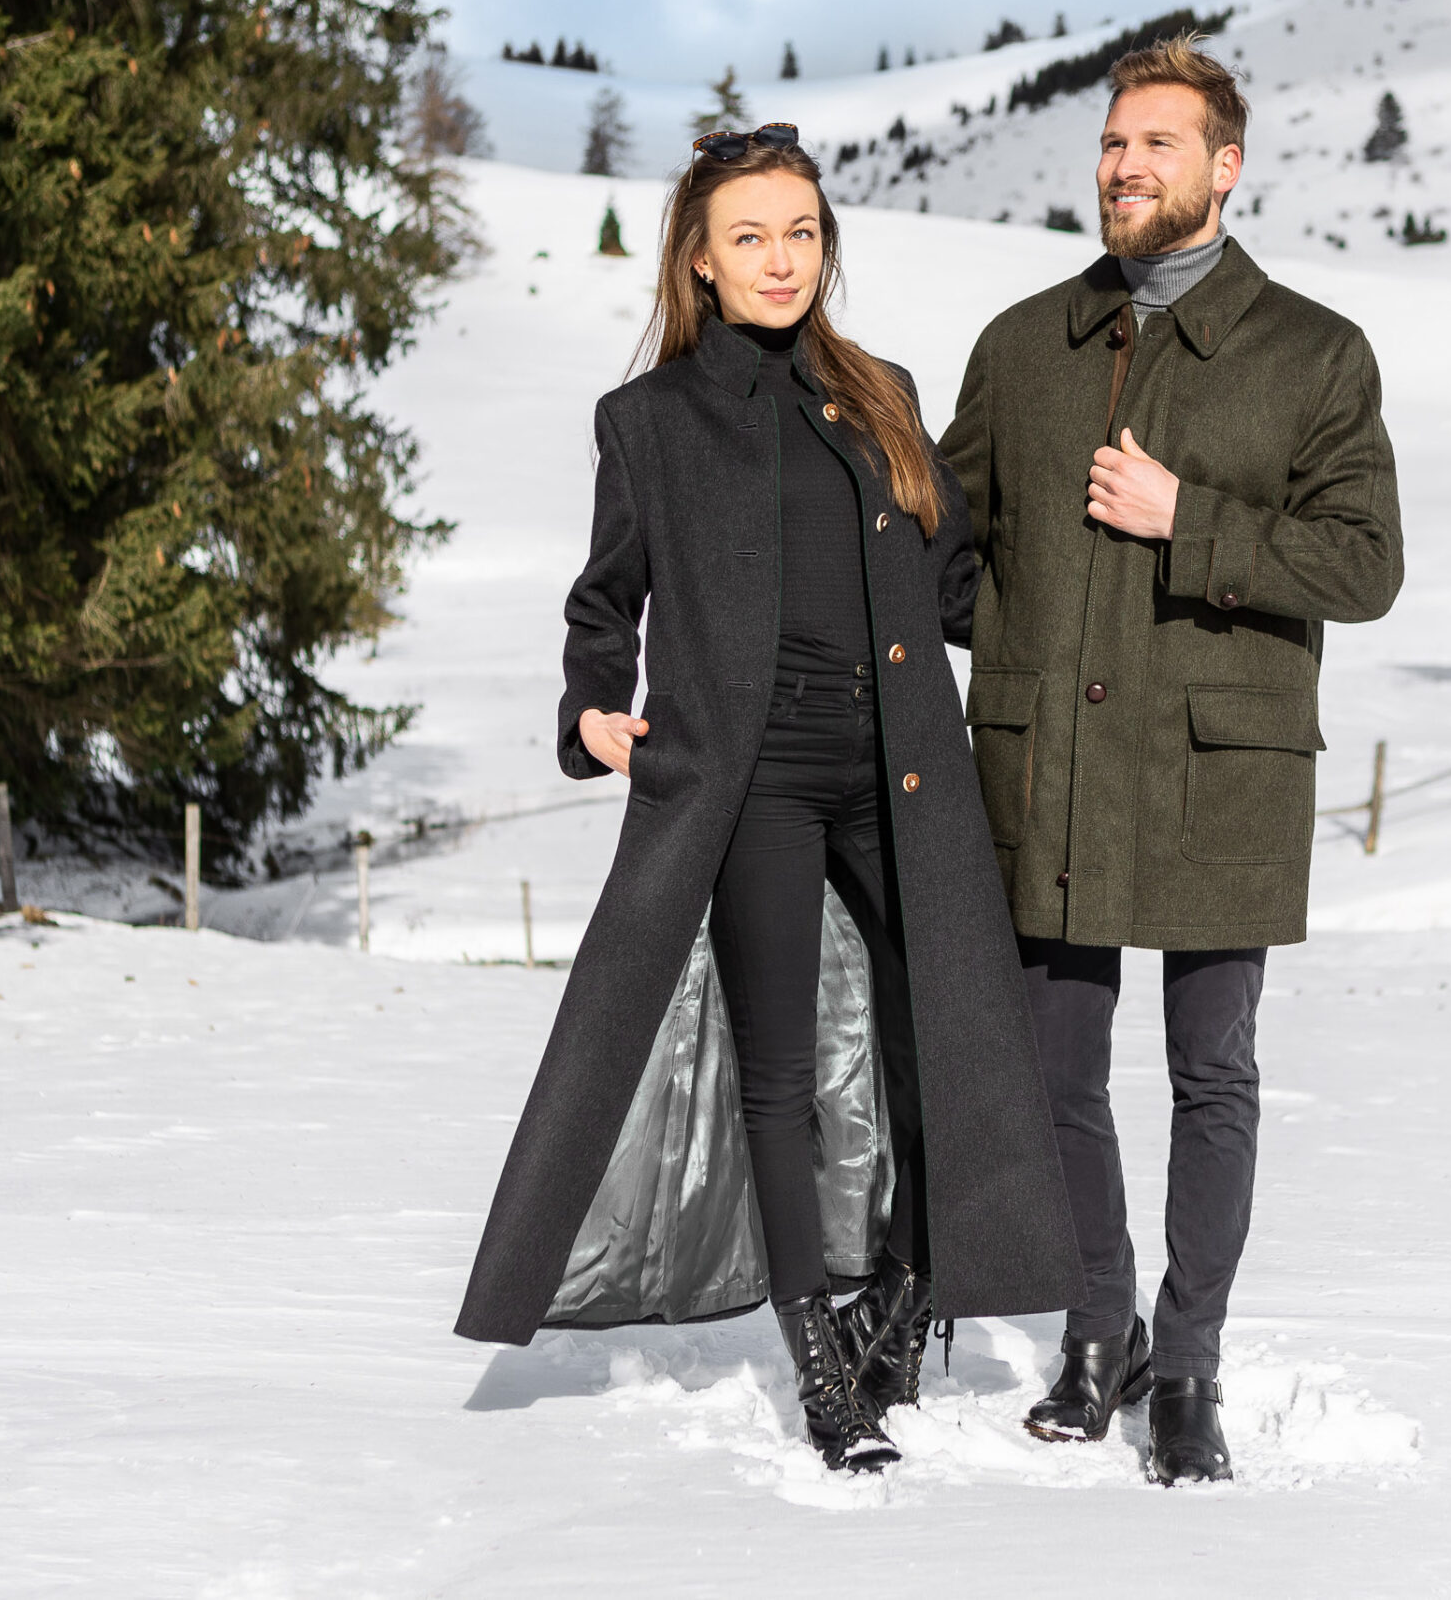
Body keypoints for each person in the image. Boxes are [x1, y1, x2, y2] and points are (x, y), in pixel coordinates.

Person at [453, 124, 1080, 1473]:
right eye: (751, 236)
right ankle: (819, 1359)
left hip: (903, 771)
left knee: (948, 1041)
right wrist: (588, 707)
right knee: (782, 1075)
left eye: (801, 232)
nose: (781, 259)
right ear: (700, 258)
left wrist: (1100, 608)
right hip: (750, 781)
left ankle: (905, 1299)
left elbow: (964, 587)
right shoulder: (652, 422)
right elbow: (603, 594)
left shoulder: (885, 397)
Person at [940, 35, 1404, 1485]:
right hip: (1052, 763)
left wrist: (1183, 519)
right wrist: (1011, 633)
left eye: (1156, 143)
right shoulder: (1024, 347)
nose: (1125, 166)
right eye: (1111, 143)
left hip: (1219, 774)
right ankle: (1099, 1329)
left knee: (1214, 1077)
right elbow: (945, 545)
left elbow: (1364, 561)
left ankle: (1187, 1356)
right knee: (1052, 1073)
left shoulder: (1315, 353)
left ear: (1225, 166)